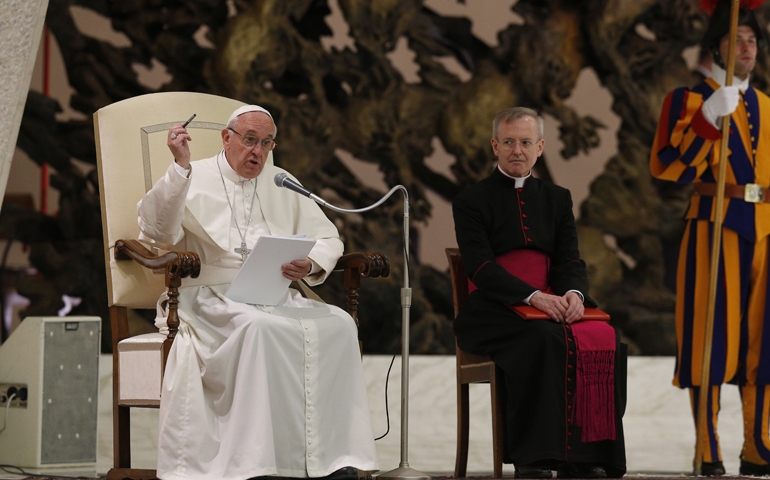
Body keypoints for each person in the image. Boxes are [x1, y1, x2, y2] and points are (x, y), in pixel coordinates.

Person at [137, 105, 378, 480]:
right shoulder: (192, 174)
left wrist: (310, 263)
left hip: (275, 293)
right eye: (250, 141)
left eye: (266, 143)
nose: (258, 153)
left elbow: (329, 236)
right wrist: (179, 165)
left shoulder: (280, 179)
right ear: (226, 138)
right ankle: (257, 463)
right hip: (211, 295)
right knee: (257, 327)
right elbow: (158, 231)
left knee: (341, 324)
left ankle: (333, 460)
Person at [452, 107, 627, 479]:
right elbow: (481, 268)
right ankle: (535, 458)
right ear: (495, 146)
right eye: (510, 142)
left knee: (603, 335)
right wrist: (533, 297)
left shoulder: (557, 198)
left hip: (551, 302)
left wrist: (575, 295)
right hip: (493, 308)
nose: (518, 150)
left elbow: (569, 260)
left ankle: (587, 457)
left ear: (541, 147)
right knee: (544, 338)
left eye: (526, 142)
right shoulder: (471, 200)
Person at [649, 1, 770, 476]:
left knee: (765, 341)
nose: (747, 48)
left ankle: (758, 444)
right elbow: (669, 168)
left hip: (766, 230)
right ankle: (708, 446)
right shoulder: (688, 100)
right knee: (711, 339)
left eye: (753, 40)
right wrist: (707, 122)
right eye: (737, 39)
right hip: (714, 225)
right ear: (716, 46)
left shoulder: (766, 105)